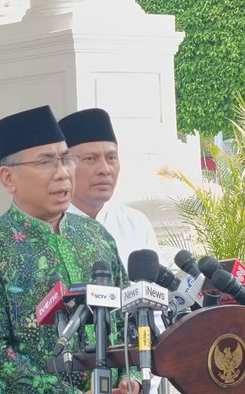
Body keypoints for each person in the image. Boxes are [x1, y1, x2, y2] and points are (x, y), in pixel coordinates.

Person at [0, 105, 140, 394]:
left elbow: (128, 315)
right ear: (8, 178)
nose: (63, 173)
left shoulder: (96, 236)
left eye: (66, 160)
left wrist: (132, 376)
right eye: (45, 162)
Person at [60, 107, 177, 394]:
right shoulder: (49, 227)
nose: (105, 168)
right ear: (65, 166)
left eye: (111, 157)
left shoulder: (135, 223)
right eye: (90, 158)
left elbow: (155, 314)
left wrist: (138, 379)